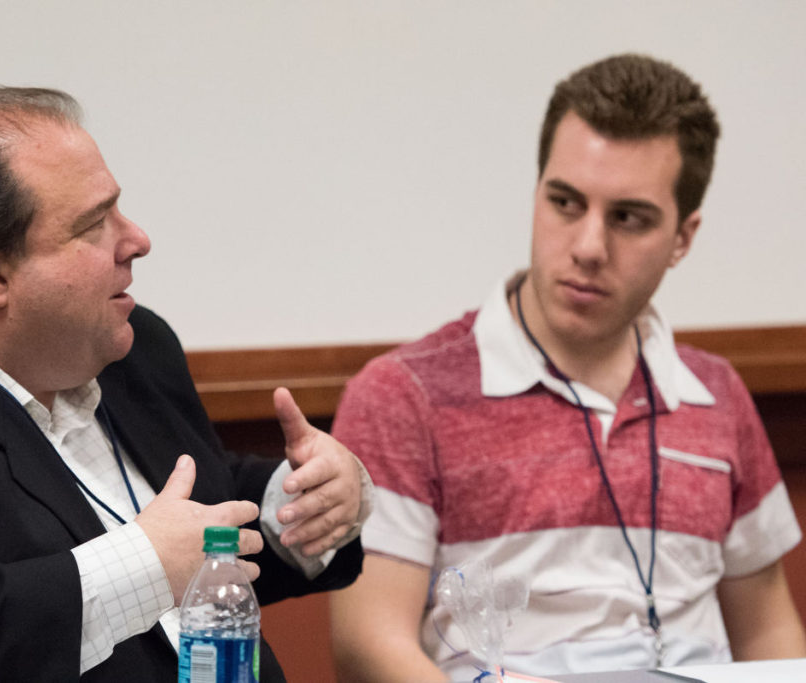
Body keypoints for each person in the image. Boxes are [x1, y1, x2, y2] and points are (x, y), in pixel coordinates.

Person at [0, 86, 369, 682]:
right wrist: (146, 566)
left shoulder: (127, 347)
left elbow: (182, 504)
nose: (137, 239)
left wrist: (303, 503)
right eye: (93, 225)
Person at [329, 53, 806, 681]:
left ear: (683, 238)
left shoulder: (715, 394)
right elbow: (367, 645)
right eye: (565, 203)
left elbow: (768, 628)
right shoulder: (404, 395)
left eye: (628, 218)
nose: (587, 247)